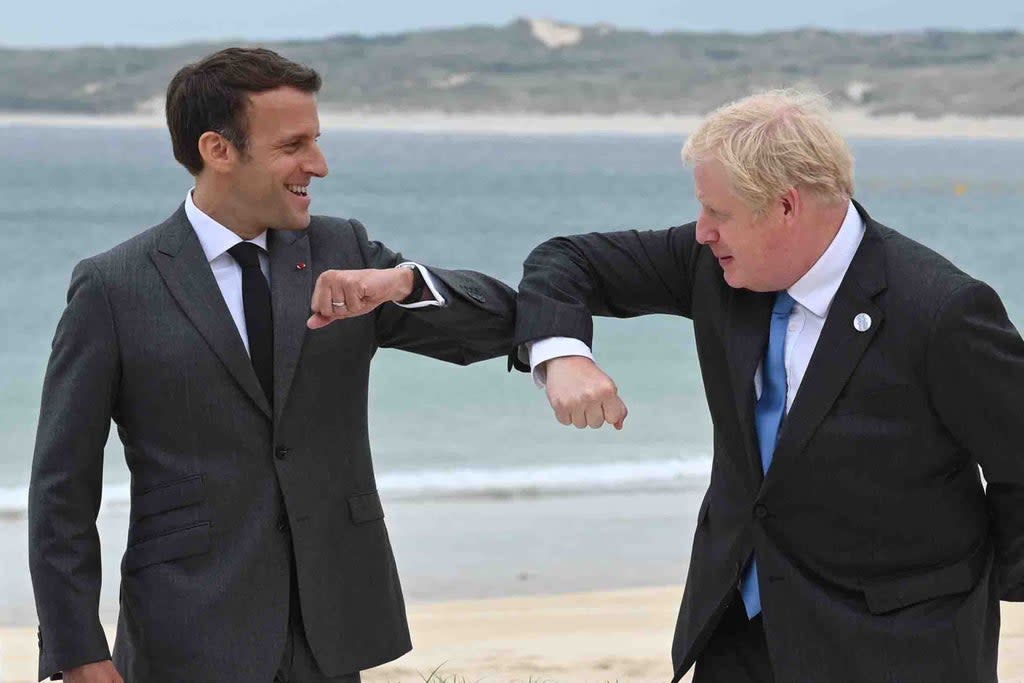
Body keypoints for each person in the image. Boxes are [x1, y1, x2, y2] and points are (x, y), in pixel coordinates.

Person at [29, 47, 516, 683]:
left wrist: (401, 282)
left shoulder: (346, 251)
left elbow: (503, 324)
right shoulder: (114, 287)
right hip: (185, 631)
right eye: (294, 145)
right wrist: (80, 656)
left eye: (316, 141)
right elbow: (60, 491)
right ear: (218, 149)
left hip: (331, 630)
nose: (319, 165)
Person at [511, 90, 1024, 682]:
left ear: (785, 206)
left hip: (896, 647)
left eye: (718, 213)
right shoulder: (714, 265)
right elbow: (566, 260)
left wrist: (969, 597)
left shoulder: (942, 310)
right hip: (738, 629)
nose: (701, 232)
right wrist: (564, 353)